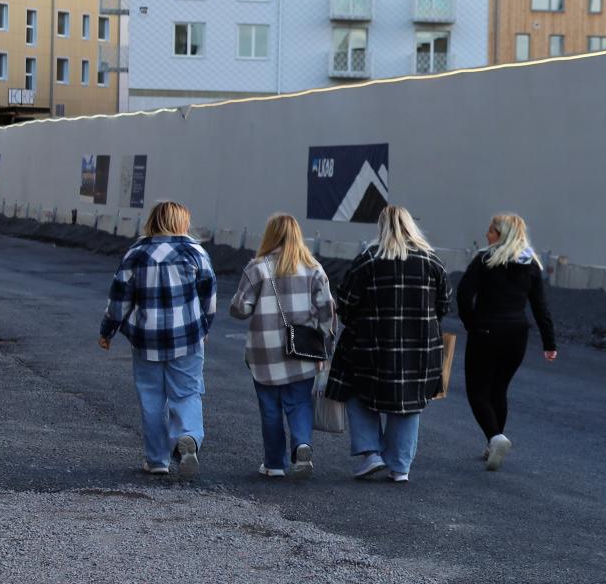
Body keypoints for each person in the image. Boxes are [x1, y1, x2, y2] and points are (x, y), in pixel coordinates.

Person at [325, 205, 450, 483]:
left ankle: (371, 454)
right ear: (410, 226)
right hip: (419, 348)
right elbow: (444, 305)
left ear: (381, 227)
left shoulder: (369, 259)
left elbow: (345, 303)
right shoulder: (432, 261)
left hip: (372, 345)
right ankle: (400, 467)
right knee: (408, 401)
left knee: (358, 392)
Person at [98, 200, 216, 480]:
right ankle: (188, 438)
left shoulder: (136, 253)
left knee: (152, 398)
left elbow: (119, 300)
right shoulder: (195, 252)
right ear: (182, 222)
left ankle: (157, 459)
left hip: (146, 339)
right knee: (186, 392)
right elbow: (208, 297)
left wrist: (107, 331)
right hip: (186, 338)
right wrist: (204, 327)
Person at [229, 213, 335, 479]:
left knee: (270, 409)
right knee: (299, 403)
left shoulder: (257, 268)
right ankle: (302, 446)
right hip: (303, 350)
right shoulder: (313, 268)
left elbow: (240, 309)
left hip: (264, 353)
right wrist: (326, 344)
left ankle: (275, 464)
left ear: (270, 235)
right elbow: (327, 311)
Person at [456, 212, 557, 472]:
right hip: (517, 334)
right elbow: (540, 306)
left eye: (491, 230)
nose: (486, 234)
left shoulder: (485, 260)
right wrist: (549, 343)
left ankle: (496, 437)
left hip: (487, 331)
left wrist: (472, 323)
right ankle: (493, 444)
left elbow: (464, 295)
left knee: (477, 391)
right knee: (499, 389)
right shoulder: (531, 264)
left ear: (502, 235)